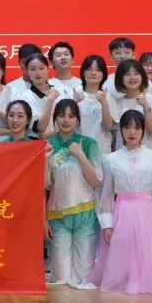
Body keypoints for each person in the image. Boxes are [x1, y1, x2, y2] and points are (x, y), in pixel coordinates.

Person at [92, 110, 152, 294]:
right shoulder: (111, 159)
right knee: (123, 250)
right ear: (121, 131)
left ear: (143, 131)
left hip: (148, 210)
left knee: (146, 250)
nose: (132, 132)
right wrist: (106, 224)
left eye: (137, 127)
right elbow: (106, 194)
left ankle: (144, 281)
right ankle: (125, 281)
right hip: (122, 210)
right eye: (127, 127)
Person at [45, 100, 103, 289]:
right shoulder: (48, 146)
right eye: (61, 115)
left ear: (78, 120)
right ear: (55, 119)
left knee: (83, 277)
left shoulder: (88, 143)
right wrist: (44, 160)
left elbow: (96, 180)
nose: (66, 120)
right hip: (57, 216)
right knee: (60, 277)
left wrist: (80, 154)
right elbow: (44, 185)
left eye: (71, 116)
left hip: (85, 214)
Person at [108, 59, 152, 151]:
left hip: (149, 153)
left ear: (142, 76)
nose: (132, 77)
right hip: (123, 154)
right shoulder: (118, 102)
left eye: (136, 73)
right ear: (120, 79)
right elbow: (112, 130)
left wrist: (145, 106)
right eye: (127, 74)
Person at [76, 55, 113, 155]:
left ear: (103, 74)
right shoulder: (75, 93)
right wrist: (74, 103)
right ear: (83, 72)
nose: (93, 73)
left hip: (102, 150)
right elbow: (67, 124)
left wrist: (104, 103)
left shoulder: (108, 96)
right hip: (79, 150)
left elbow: (108, 126)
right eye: (89, 69)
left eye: (98, 70)